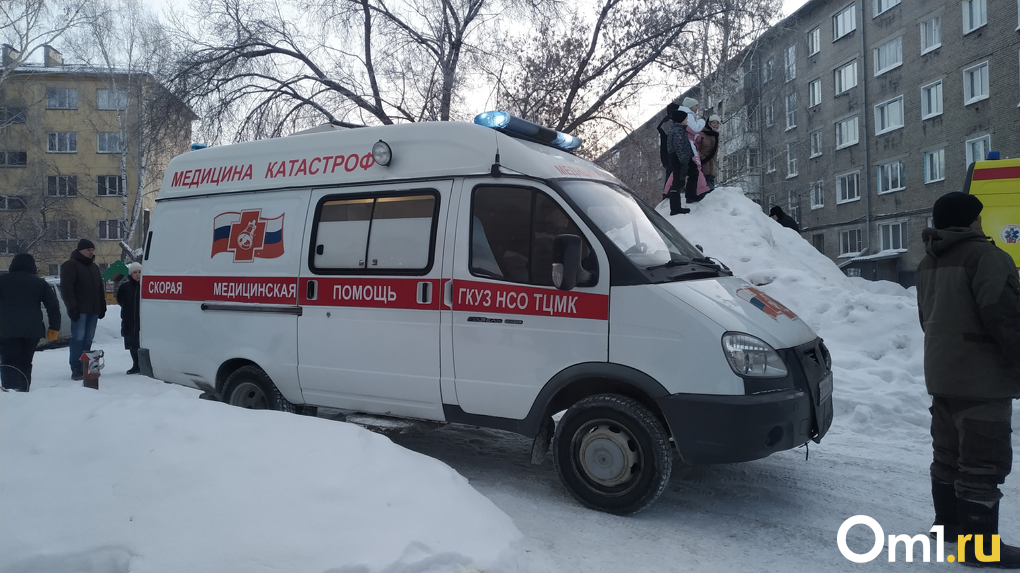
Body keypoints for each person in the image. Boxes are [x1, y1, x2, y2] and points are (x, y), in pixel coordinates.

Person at [916, 192, 1020, 568]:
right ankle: (979, 549)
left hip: (941, 371)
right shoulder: (987, 257)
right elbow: (1005, 316)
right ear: (972, 219)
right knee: (982, 460)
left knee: (948, 453)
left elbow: (926, 318)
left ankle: (948, 526)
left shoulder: (928, 261)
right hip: (981, 377)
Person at [0, 253, 60, 391]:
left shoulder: (2, 281)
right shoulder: (40, 283)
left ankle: (10, 391)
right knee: (26, 361)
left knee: (8, 360)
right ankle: (24, 389)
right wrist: (54, 328)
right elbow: (53, 307)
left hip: (6, 330)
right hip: (32, 330)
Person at [60, 238, 106, 381]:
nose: (91, 252)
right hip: (80, 309)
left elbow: (100, 288)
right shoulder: (70, 265)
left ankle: (87, 366)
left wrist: (102, 305)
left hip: (93, 309)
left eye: (92, 250)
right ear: (80, 250)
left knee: (88, 338)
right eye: (88, 250)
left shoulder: (94, 267)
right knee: (78, 338)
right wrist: (72, 307)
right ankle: (76, 366)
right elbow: (67, 288)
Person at [677, 97, 711, 203]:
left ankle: (690, 192)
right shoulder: (688, 115)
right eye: (696, 105)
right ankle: (701, 190)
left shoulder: (685, 115)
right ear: (690, 106)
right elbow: (695, 129)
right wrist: (702, 121)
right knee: (696, 168)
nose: (697, 108)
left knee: (686, 170)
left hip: (688, 144)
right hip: (689, 145)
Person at [664, 107, 693, 215]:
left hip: (676, 158)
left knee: (678, 181)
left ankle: (676, 207)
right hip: (678, 159)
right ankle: (675, 208)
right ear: (681, 120)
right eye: (686, 119)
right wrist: (684, 160)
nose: (687, 121)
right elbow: (679, 147)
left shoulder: (677, 129)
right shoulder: (678, 131)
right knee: (678, 182)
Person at [116, 262, 142, 374]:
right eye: (135, 272)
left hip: (142, 320)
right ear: (131, 274)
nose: (137, 275)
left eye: (139, 272)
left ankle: (143, 365)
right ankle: (135, 365)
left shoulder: (145, 286)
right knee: (132, 343)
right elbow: (120, 300)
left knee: (141, 343)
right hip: (129, 319)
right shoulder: (125, 287)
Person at [697, 115, 721, 190]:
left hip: (711, 167)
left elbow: (715, 153)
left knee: (711, 191)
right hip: (702, 164)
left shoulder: (715, 136)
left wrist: (714, 162)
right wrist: (702, 158)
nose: (715, 125)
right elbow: (696, 148)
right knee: (702, 188)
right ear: (709, 124)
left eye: (717, 123)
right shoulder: (702, 134)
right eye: (713, 123)